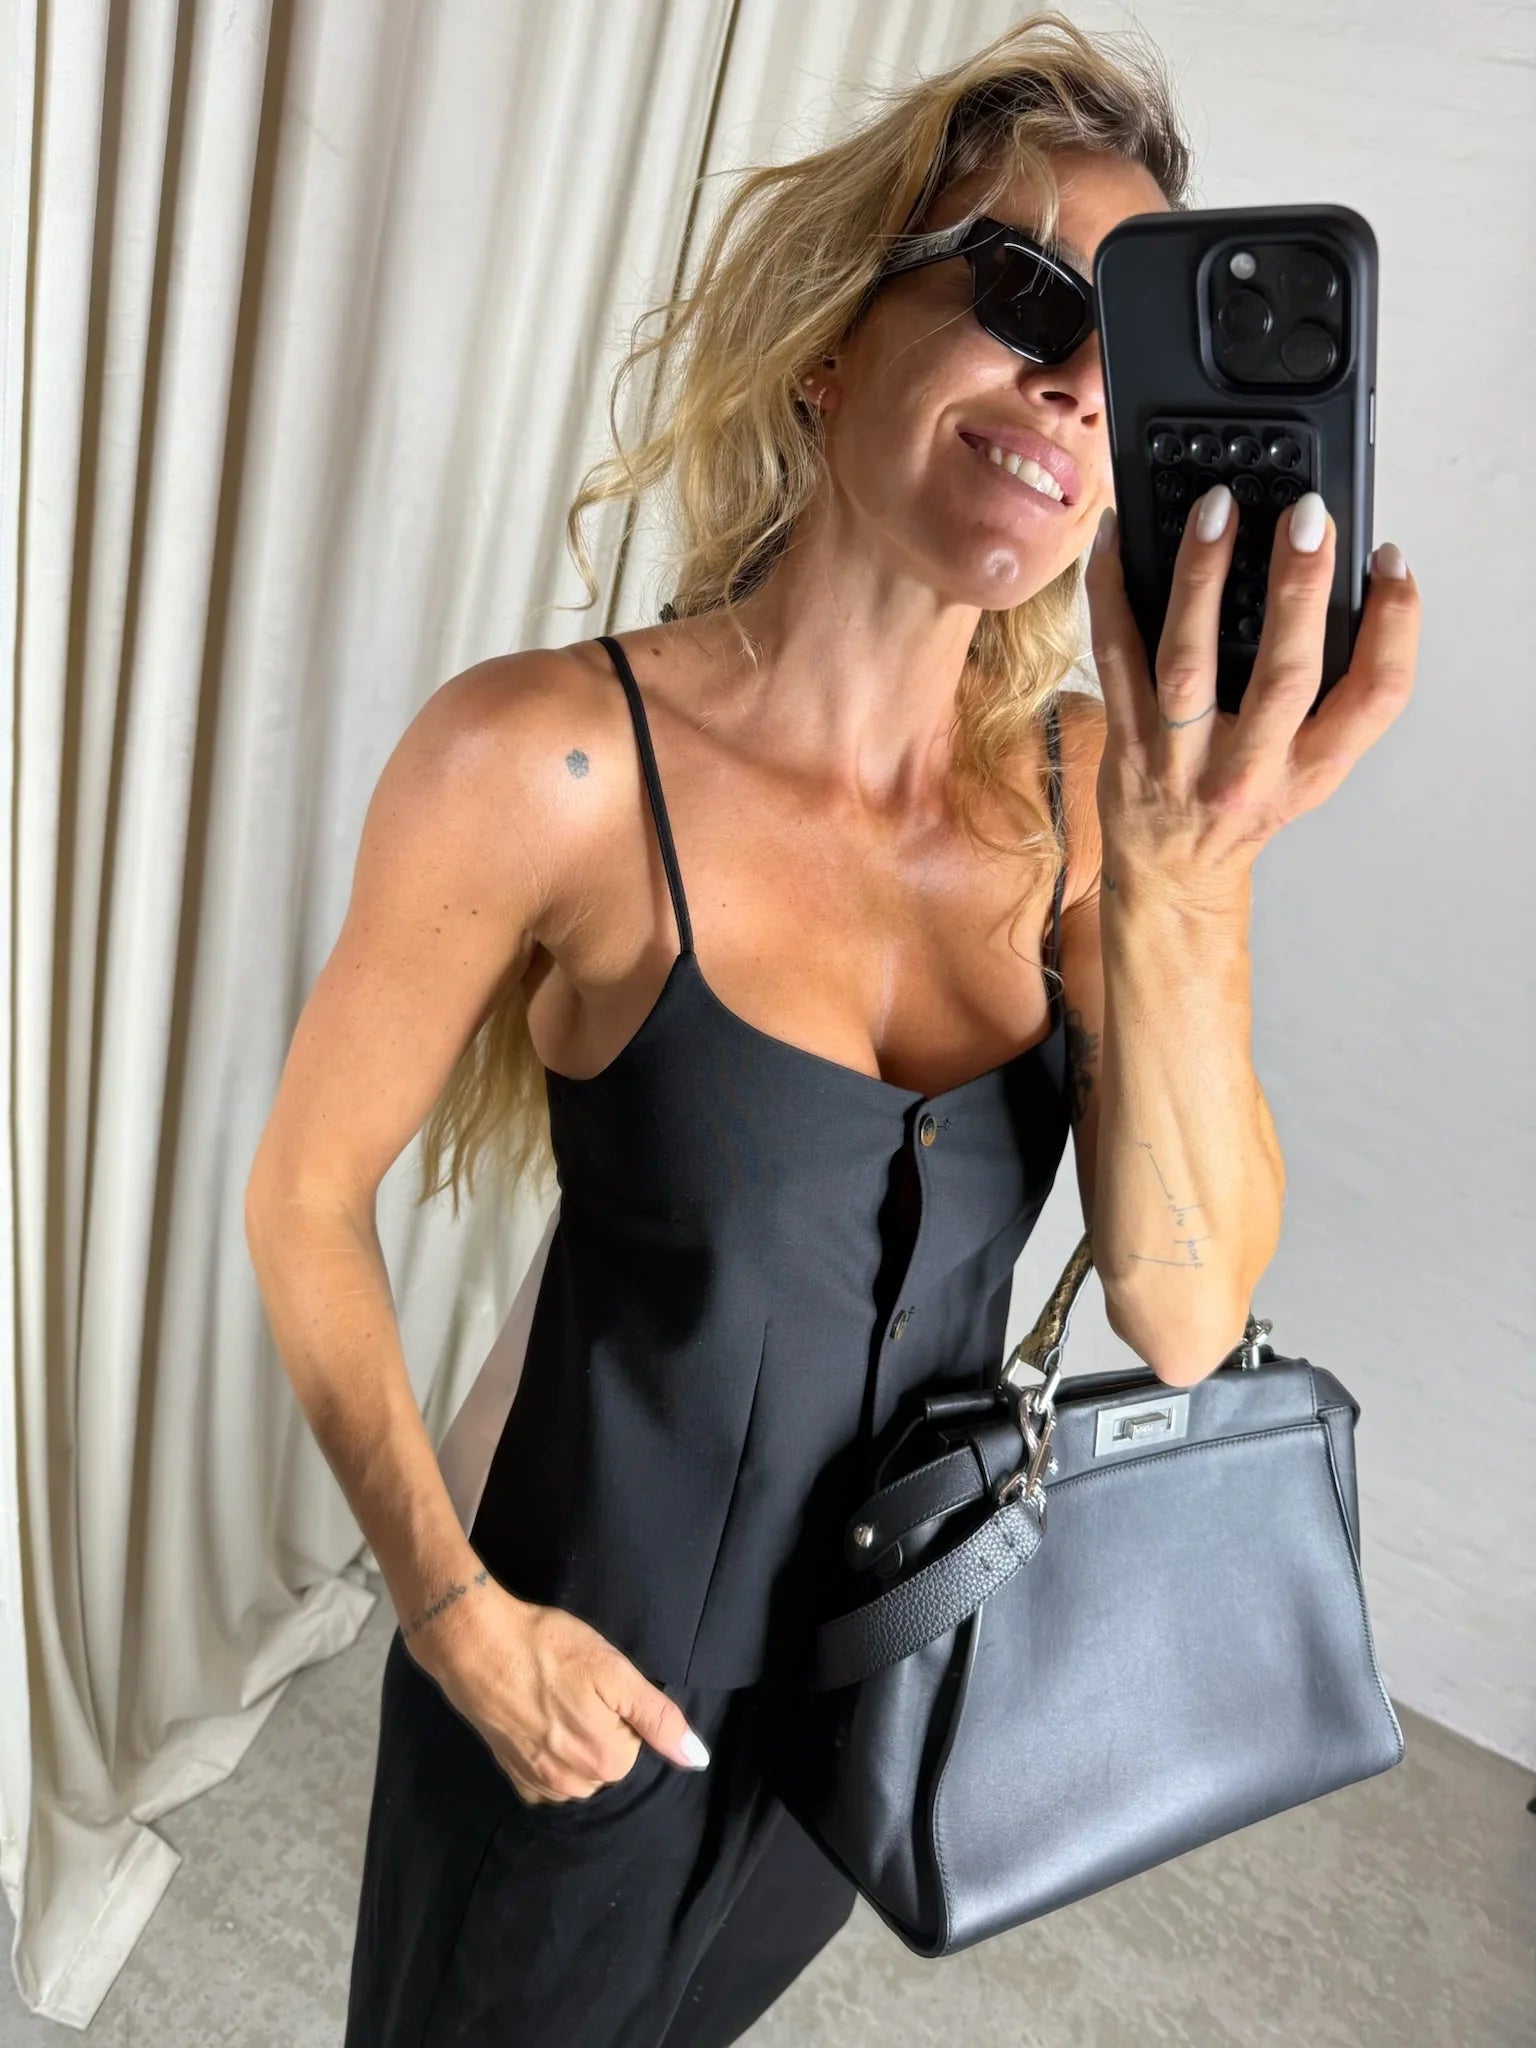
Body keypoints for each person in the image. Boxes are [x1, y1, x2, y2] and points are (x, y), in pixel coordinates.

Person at [248, 14, 1201, 2044]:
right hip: (568, 1696)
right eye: (1026, 293)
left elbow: (1188, 1315)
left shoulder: (1096, 809)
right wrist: (453, 1617)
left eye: (1130, 354)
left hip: (866, 1708)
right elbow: (305, 1200)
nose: (1075, 384)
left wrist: (1194, 872)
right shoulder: (551, 760)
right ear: (838, 338)